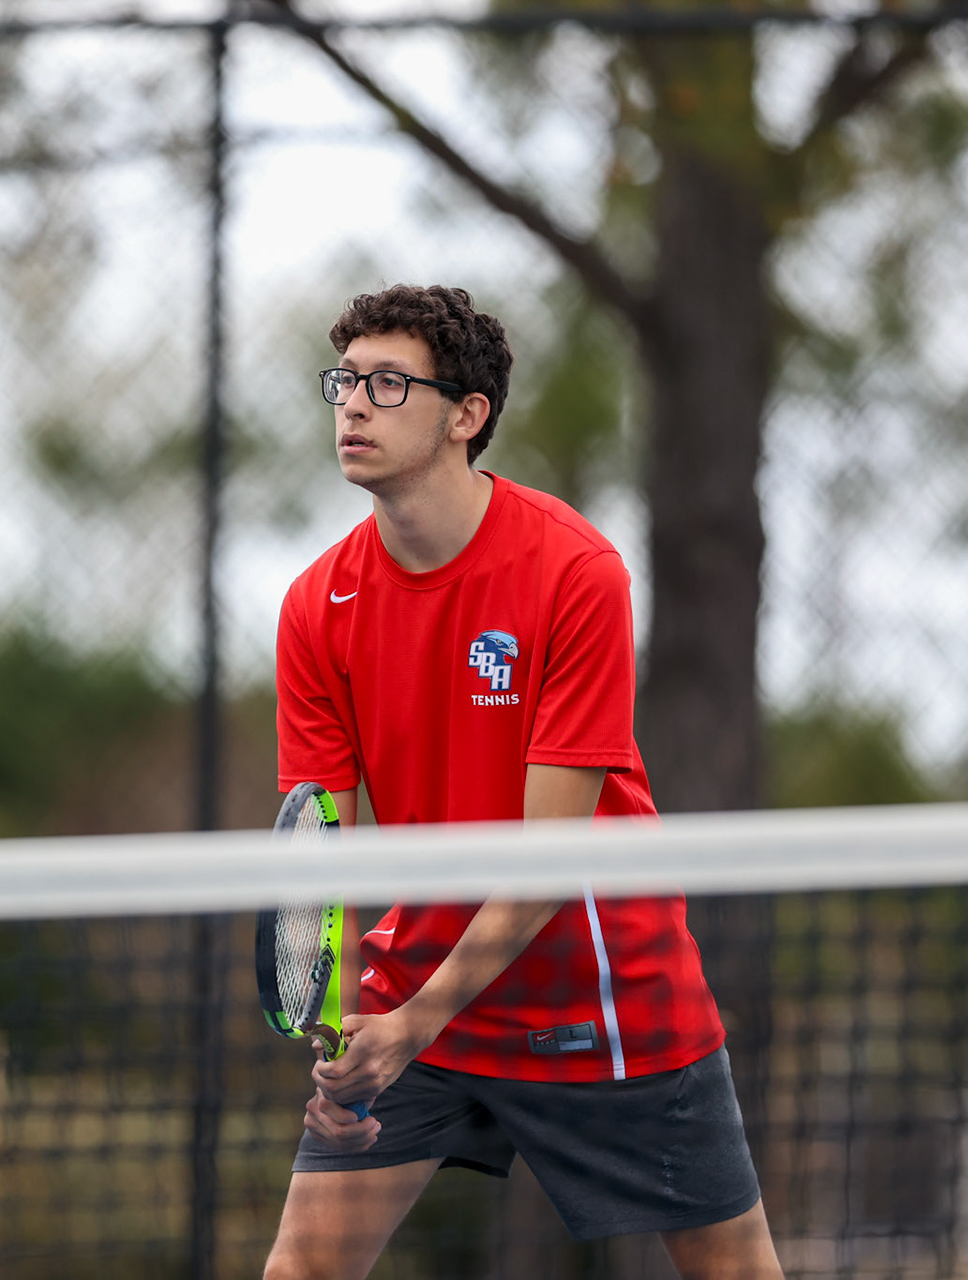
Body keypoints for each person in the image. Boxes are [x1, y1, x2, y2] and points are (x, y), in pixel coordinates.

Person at [266, 285, 784, 1280]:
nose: (354, 405)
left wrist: (414, 1023)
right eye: (345, 381)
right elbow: (314, 847)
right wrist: (343, 1030)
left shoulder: (574, 571)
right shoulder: (315, 605)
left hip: (603, 993)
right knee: (301, 1266)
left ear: (468, 415)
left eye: (387, 382)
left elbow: (549, 857)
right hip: (417, 993)